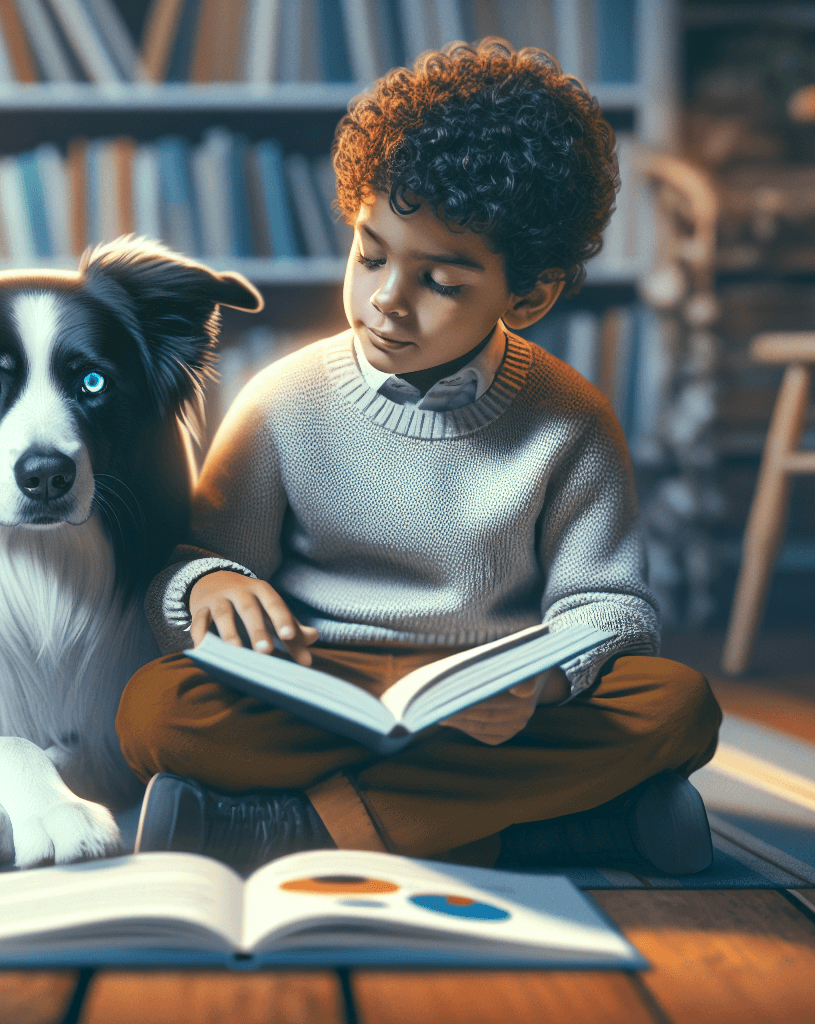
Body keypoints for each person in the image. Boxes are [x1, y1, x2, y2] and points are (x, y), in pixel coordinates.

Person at [116, 39, 723, 875]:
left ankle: (291, 829)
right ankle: (553, 828)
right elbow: (194, 571)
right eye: (369, 255)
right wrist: (208, 584)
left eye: (441, 282)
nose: (385, 302)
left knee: (677, 707)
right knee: (159, 709)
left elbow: (612, 609)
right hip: (318, 681)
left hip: (493, 701)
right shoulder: (280, 400)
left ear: (531, 294)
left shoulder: (572, 420)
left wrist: (541, 684)